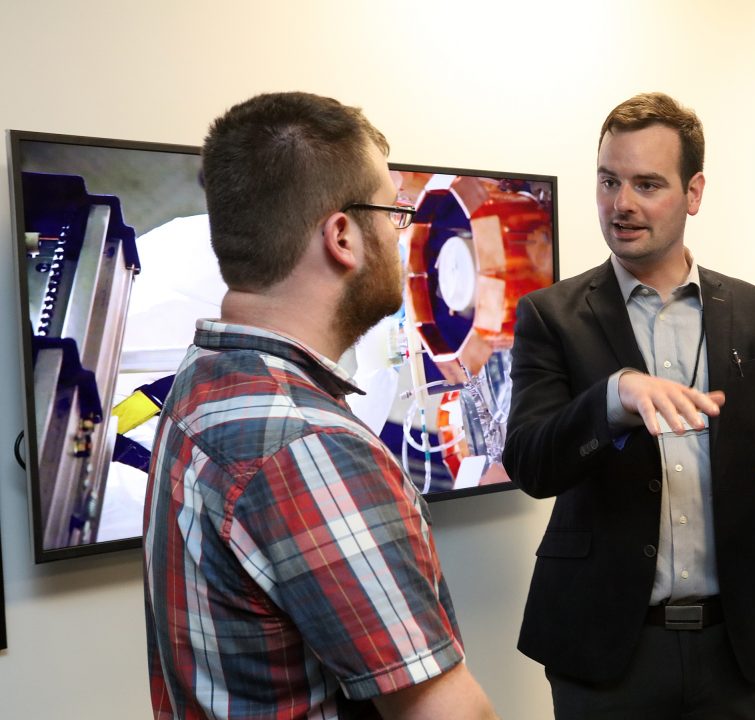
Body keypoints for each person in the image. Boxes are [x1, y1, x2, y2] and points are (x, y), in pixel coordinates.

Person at [143, 91, 498, 720]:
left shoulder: (202, 380)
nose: (398, 232)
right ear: (342, 236)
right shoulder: (308, 446)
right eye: (392, 212)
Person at [501, 92, 755, 719]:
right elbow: (529, 462)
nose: (621, 204)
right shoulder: (551, 316)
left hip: (735, 648)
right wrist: (612, 399)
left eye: (646, 184)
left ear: (694, 193)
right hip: (604, 652)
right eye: (608, 181)